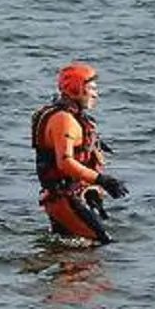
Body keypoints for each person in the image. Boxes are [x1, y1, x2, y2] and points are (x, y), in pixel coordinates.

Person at [30, 62, 129, 245]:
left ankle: (61, 266)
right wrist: (102, 180)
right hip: (63, 198)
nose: (95, 94)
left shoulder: (73, 117)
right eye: (91, 88)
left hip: (71, 194)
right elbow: (65, 163)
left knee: (72, 247)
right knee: (103, 244)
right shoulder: (64, 120)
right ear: (76, 88)